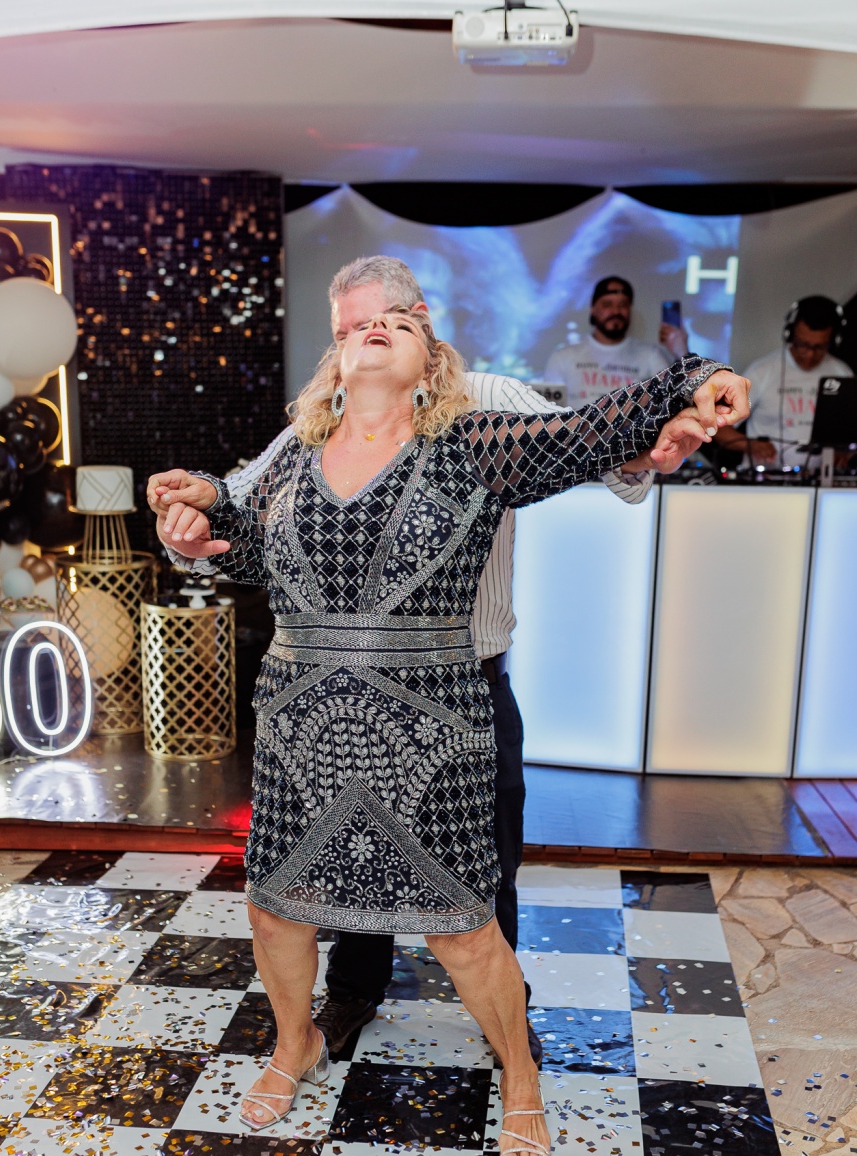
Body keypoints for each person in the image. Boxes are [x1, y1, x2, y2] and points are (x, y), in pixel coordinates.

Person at [148, 294, 748, 1156]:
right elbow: (241, 545)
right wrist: (192, 523)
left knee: (465, 926)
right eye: (359, 327)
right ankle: (295, 1041)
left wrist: (694, 378)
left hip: (431, 727)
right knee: (276, 908)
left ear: (430, 359)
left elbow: (591, 431)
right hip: (298, 722)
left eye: (398, 324)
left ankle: (519, 1074)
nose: (375, 329)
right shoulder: (294, 458)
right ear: (335, 362)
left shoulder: (472, 442)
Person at [193, 257, 659, 1072]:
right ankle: (352, 995)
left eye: (378, 322)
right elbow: (239, 501)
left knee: (485, 872)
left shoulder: (489, 402)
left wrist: (651, 441)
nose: (360, 339)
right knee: (348, 866)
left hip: (461, 685)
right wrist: (195, 505)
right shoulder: (321, 424)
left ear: (421, 322)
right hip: (332, 696)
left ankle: (505, 1024)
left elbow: (600, 455)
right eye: (345, 332)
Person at [715, 295, 852, 472]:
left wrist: (845, 451)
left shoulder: (842, 373)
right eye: (802, 344)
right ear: (790, 334)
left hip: (822, 480)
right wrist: (751, 445)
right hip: (766, 479)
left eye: (819, 347)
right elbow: (720, 427)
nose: (810, 354)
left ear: (834, 341)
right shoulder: (762, 372)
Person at [545, 275, 687, 410]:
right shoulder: (563, 357)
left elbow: (676, 399)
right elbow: (549, 413)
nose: (616, 311)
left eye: (623, 304)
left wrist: (681, 352)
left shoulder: (650, 355)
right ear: (593, 310)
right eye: (607, 304)